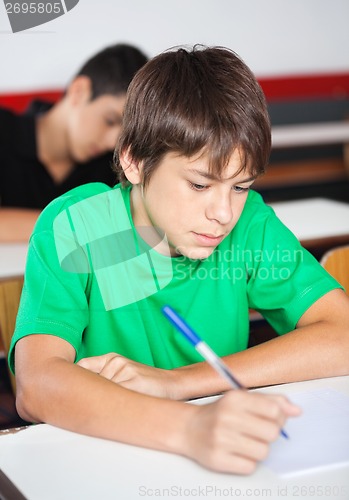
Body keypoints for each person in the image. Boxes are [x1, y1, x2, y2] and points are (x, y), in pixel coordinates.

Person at [9, 46, 349, 475]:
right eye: (200, 184)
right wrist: (189, 427)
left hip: (222, 455)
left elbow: (344, 335)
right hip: (106, 460)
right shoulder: (77, 227)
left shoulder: (251, 225)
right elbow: (37, 385)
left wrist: (177, 384)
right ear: (133, 160)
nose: (224, 213)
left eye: (240, 187)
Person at [0, 43, 148, 242]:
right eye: (110, 120)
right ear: (79, 91)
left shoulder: (114, 165)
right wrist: (81, 224)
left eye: (123, 135)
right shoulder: (5, 129)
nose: (112, 142)